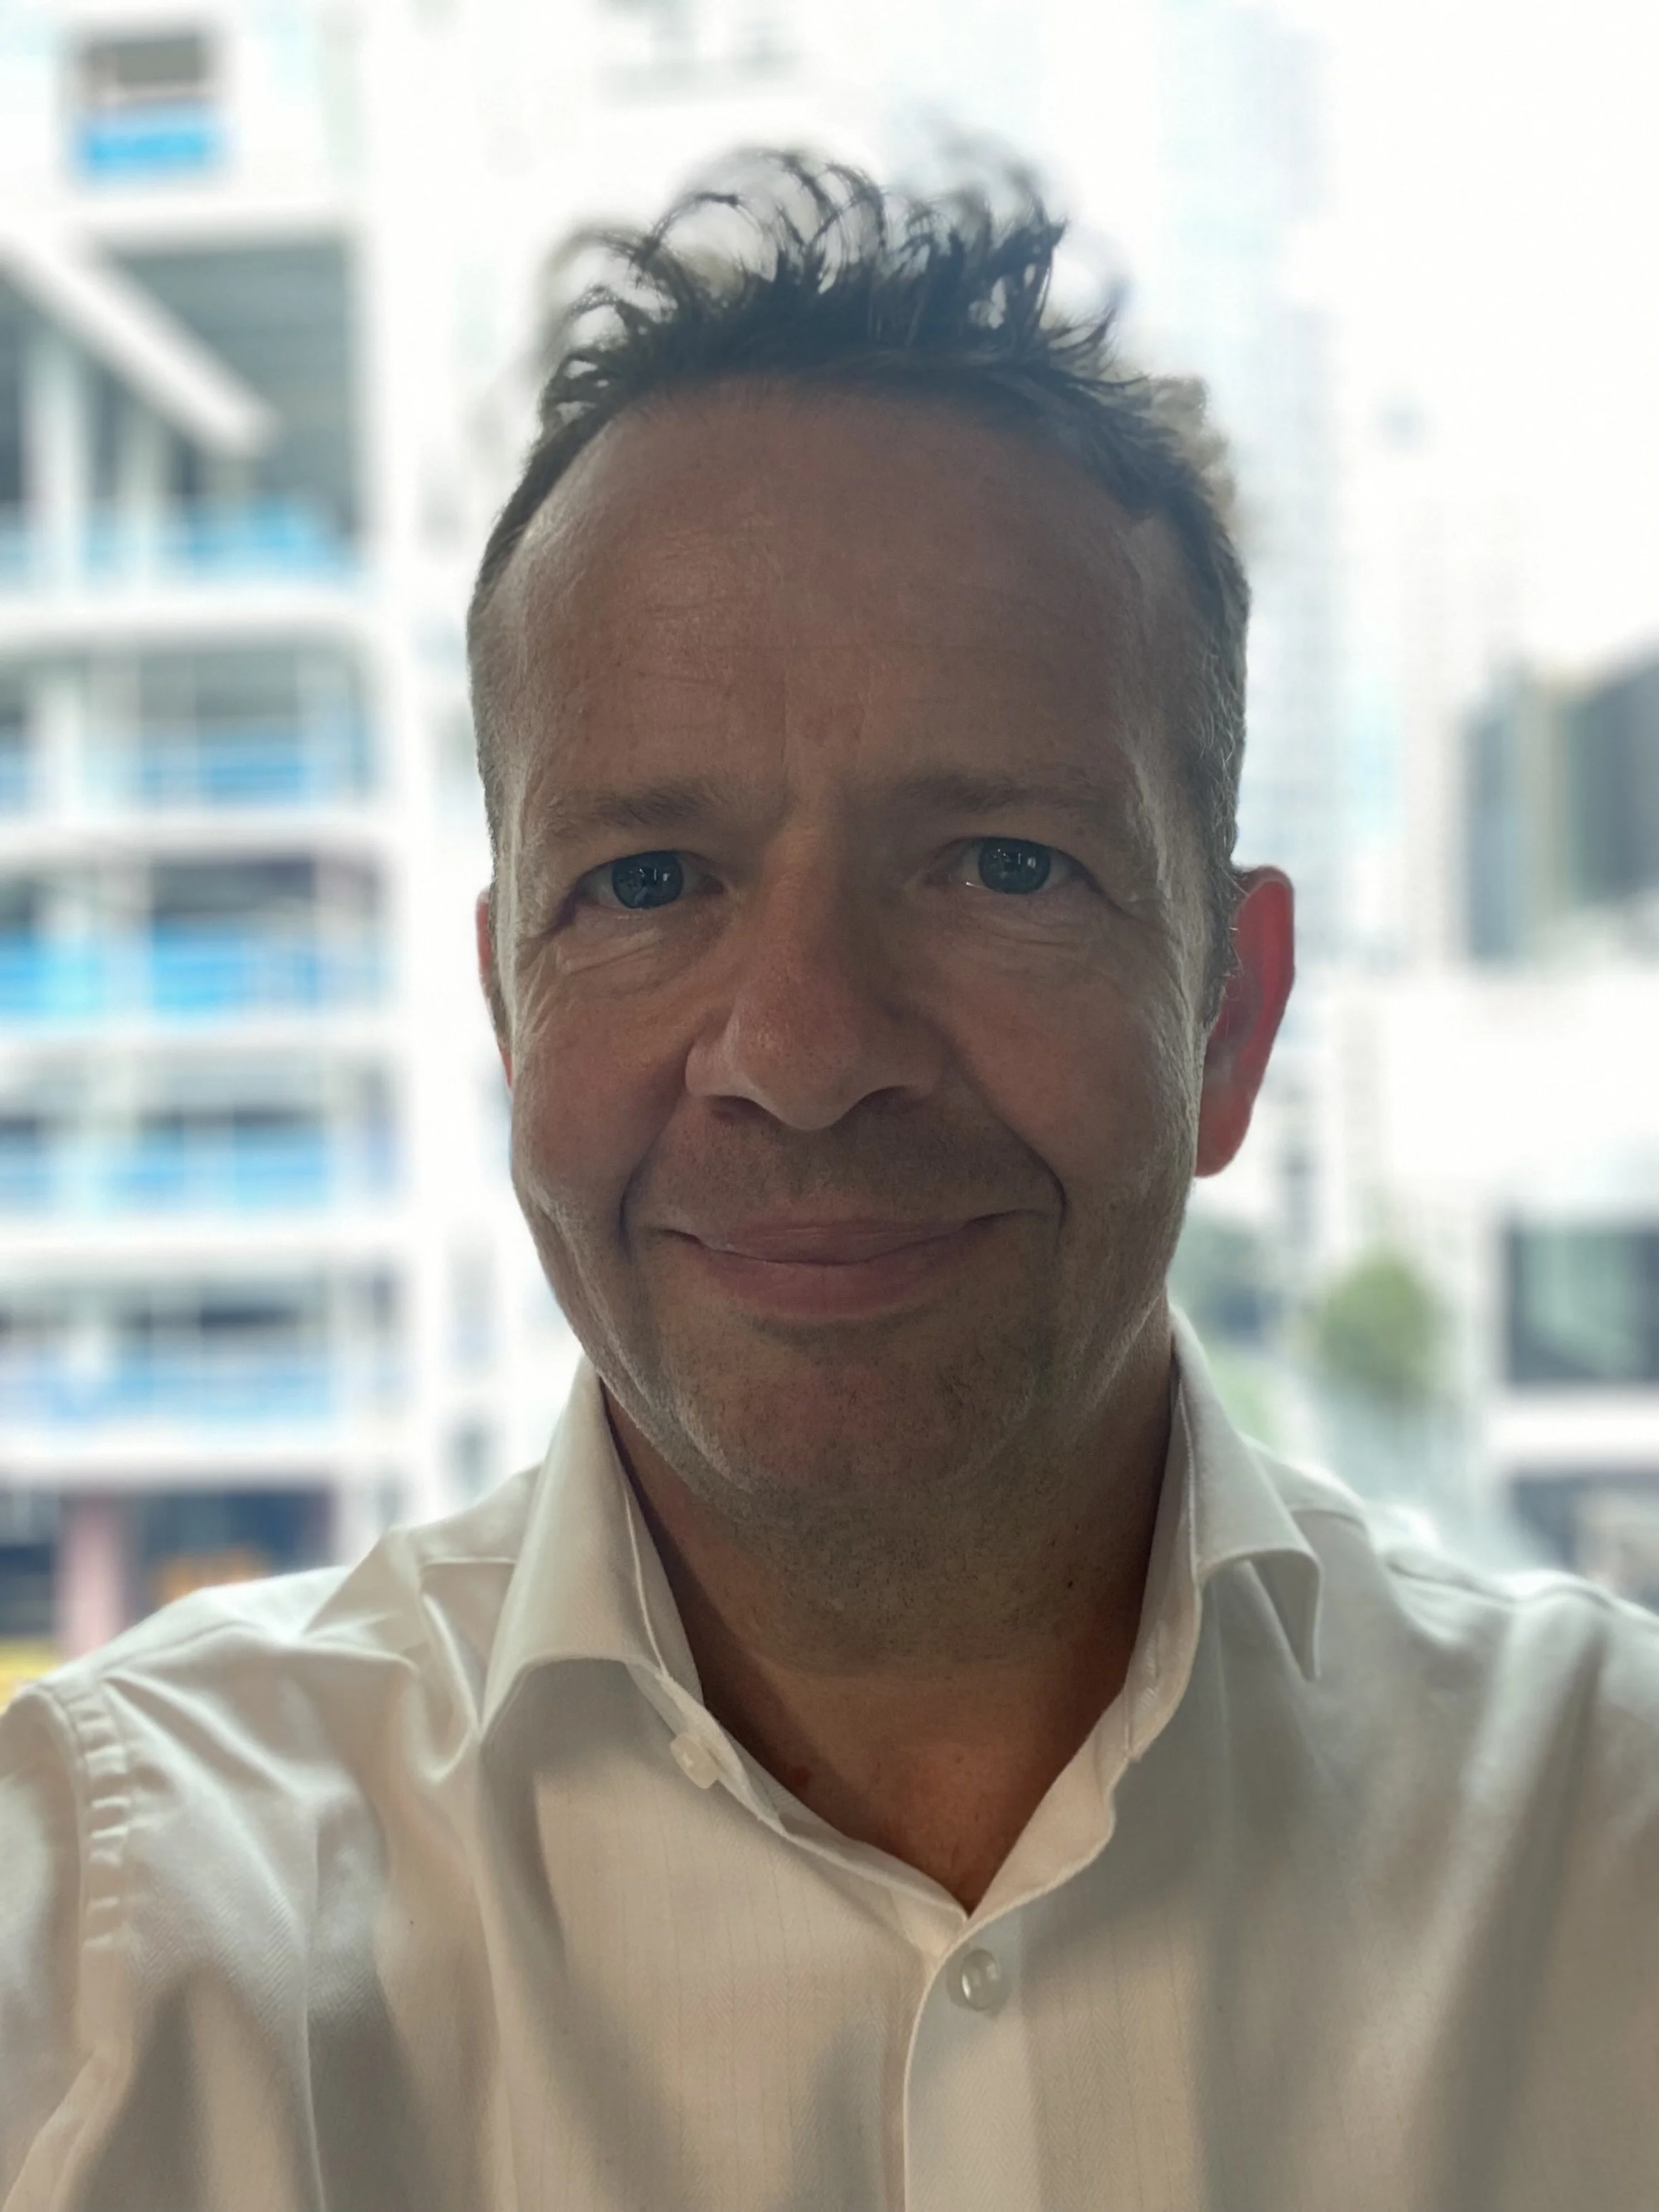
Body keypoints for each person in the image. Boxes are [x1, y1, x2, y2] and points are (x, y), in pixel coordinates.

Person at [2, 151, 1655, 2212]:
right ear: (509, 1014)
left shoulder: (1611, 1845)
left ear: (1230, 1019)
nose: (798, 1053)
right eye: (647, 883)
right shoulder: (100, 1944)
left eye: (1001, 866)